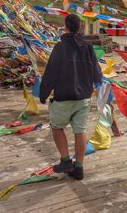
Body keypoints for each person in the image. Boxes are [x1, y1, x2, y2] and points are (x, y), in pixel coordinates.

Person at [39, 14, 102, 180]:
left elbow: (51, 72)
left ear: (65, 27)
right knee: (80, 131)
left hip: (64, 96)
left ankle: (66, 160)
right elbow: (96, 71)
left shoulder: (60, 47)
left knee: (57, 127)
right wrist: (96, 82)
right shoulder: (88, 47)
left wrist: (43, 94)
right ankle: (79, 167)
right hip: (84, 97)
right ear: (80, 27)